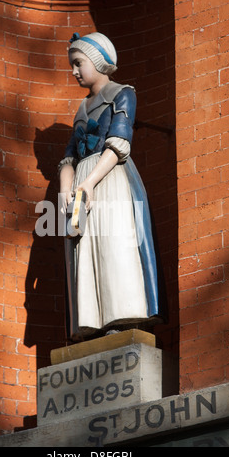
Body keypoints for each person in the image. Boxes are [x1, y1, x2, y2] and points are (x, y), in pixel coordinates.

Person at [58, 32, 164, 342]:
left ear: (96, 60)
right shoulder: (81, 108)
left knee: (115, 246)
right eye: (72, 65)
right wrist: (67, 190)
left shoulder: (122, 93)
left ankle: (123, 314)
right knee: (86, 250)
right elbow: (68, 157)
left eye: (78, 63)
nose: (75, 71)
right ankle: (93, 321)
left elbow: (119, 142)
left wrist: (89, 182)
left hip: (110, 177)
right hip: (82, 183)